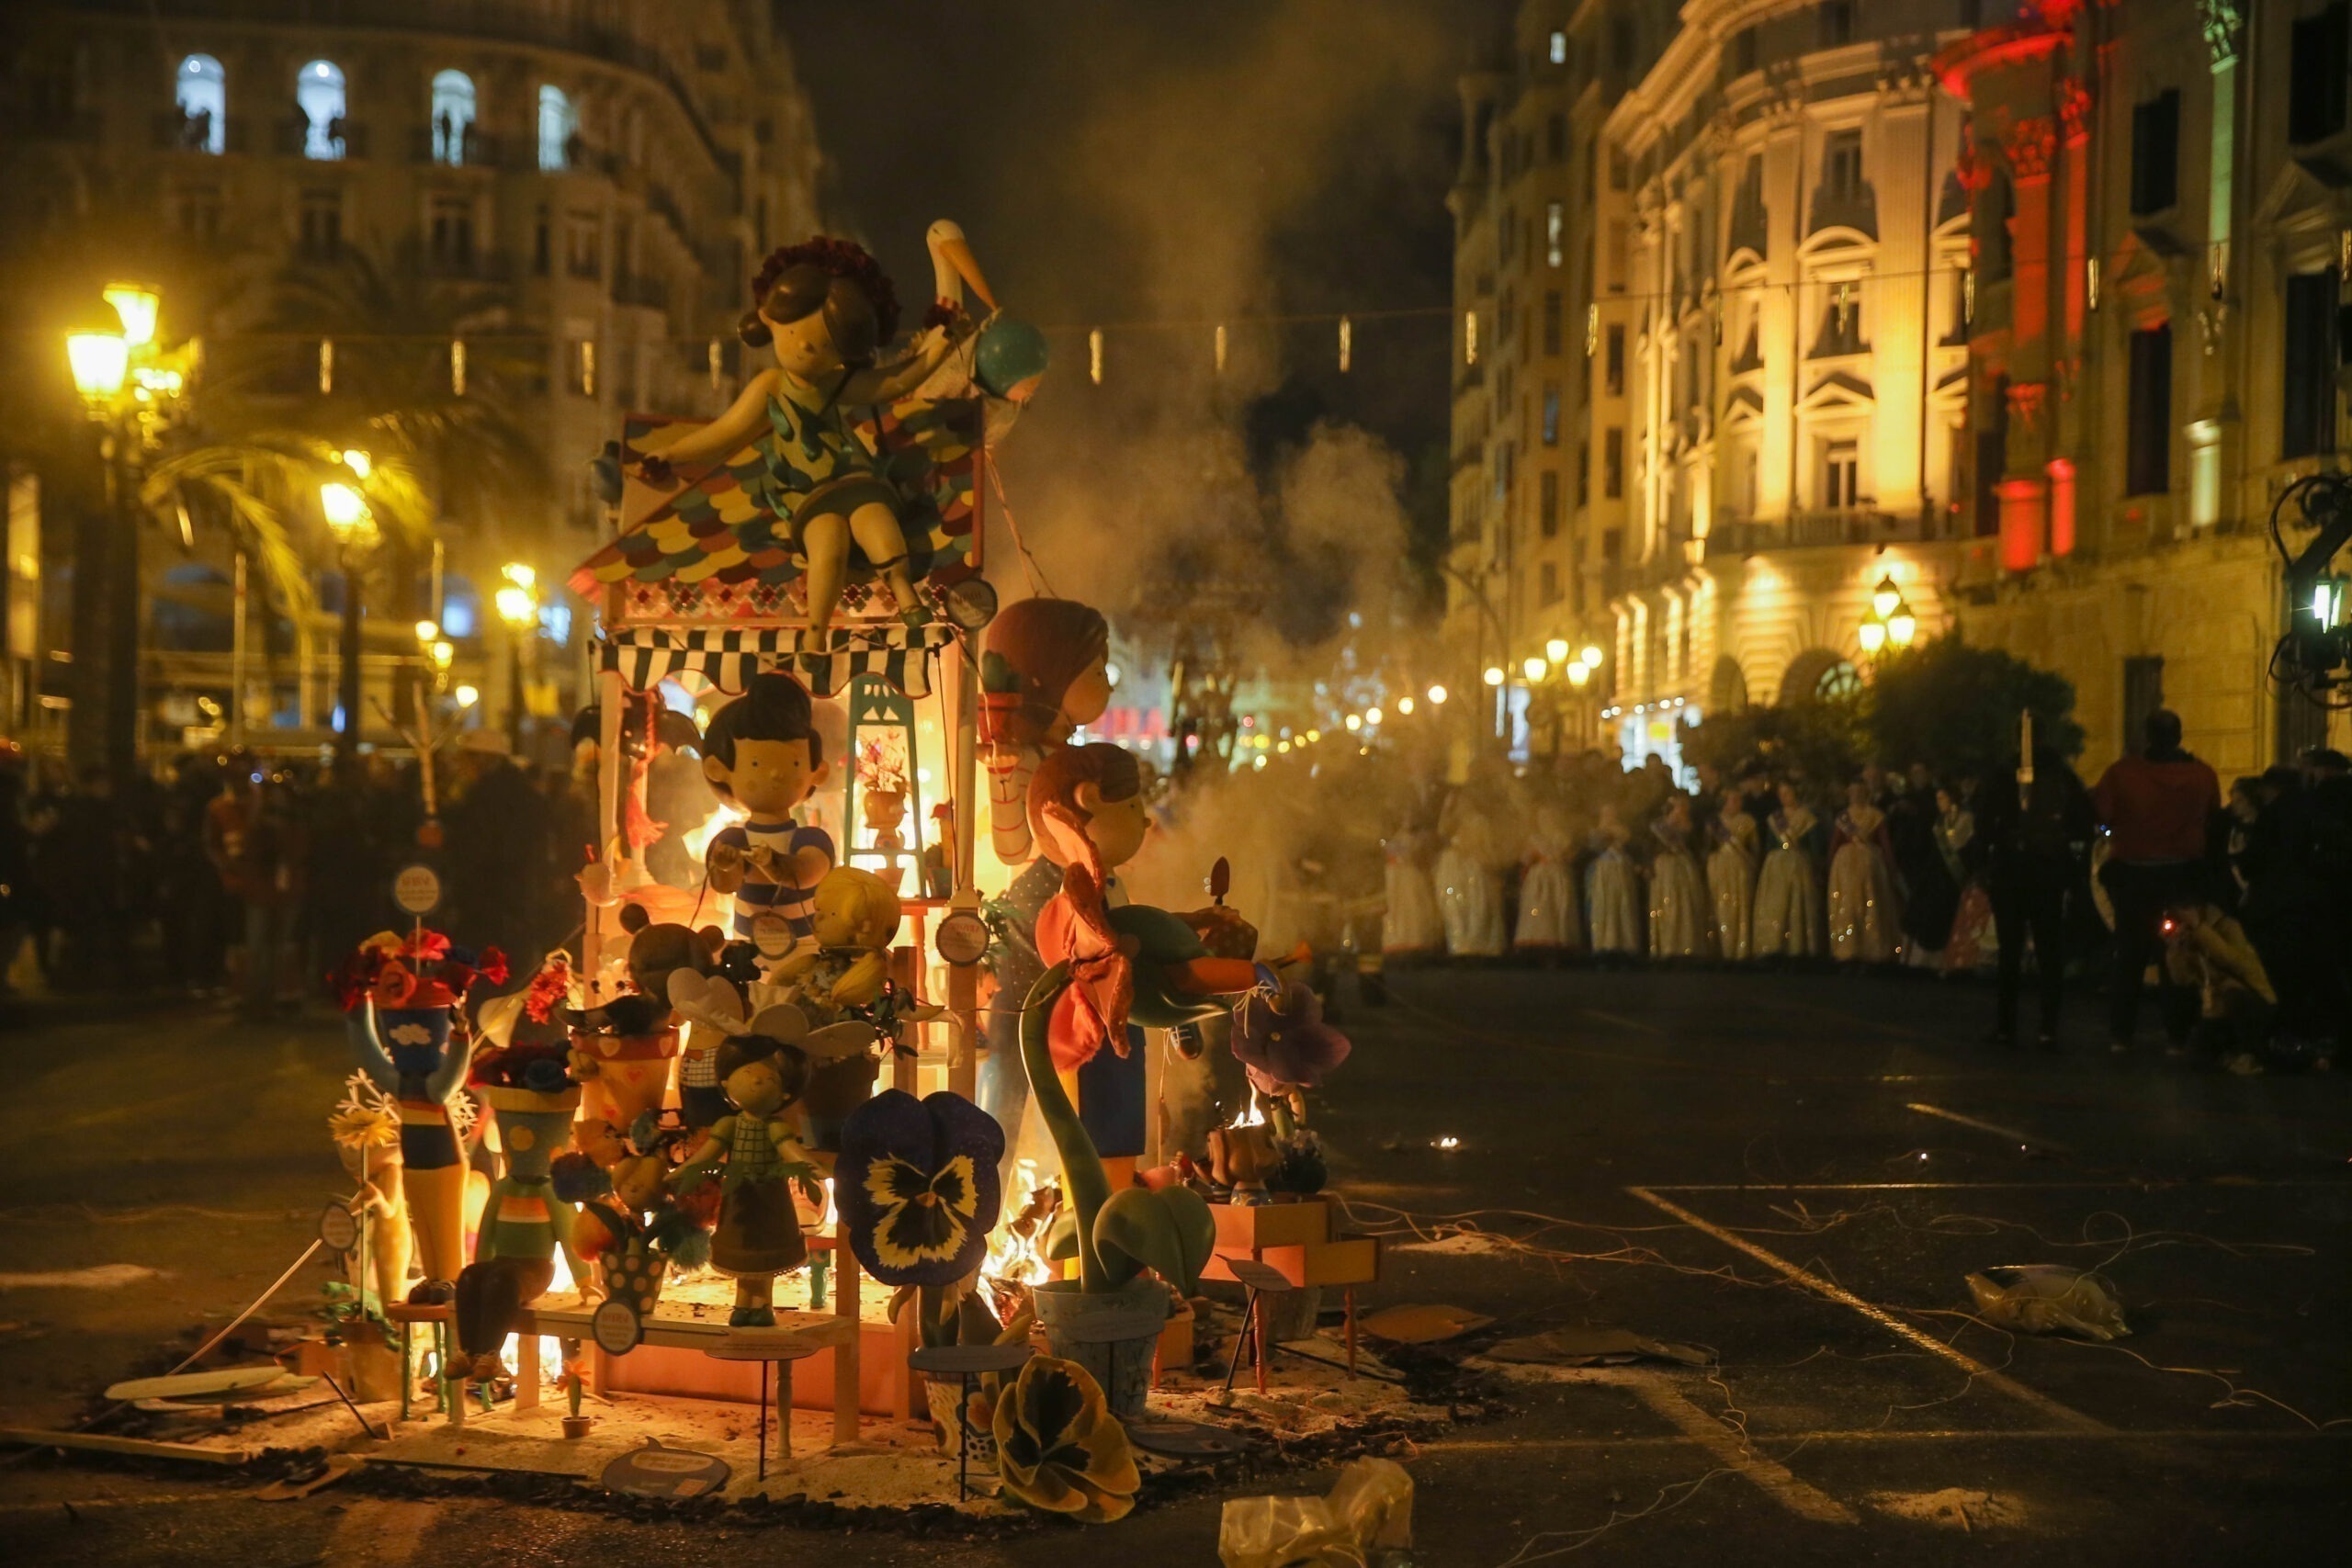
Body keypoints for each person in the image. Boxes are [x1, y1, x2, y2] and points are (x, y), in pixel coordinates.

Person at [2091, 710, 2220, 1055]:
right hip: (2182, 876)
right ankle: (2178, 1035)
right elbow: (2211, 818)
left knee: (2129, 956)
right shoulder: (2203, 775)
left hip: (2135, 876)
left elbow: (2101, 813)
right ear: (2179, 735)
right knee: (2176, 956)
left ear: (2147, 736)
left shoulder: (2123, 774)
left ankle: (2122, 1034)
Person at [1979, 745, 2094, 1048]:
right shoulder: (2062, 776)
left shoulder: (2003, 773)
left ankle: (2006, 1027)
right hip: (2048, 873)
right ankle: (2048, 1028)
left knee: (2010, 953)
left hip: (2012, 873)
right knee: (2049, 953)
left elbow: (1984, 821)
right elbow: (2083, 821)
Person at [2161, 897, 2275, 1074]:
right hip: (2217, 1007)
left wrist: (2201, 929)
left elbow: (2237, 962)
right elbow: (2181, 979)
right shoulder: (2190, 935)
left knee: (2231, 991)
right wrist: (2176, 950)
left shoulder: (2227, 926)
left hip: (2254, 999)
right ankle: (2230, 1055)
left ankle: (2253, 1053)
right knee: (2196, 1058)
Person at [1826, 778, 1902, 965]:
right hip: (1846, 866)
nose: (1856, 796)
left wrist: (1890, 866)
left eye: (1859, 792)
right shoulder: (1843, 816)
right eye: (1853, 792)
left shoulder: (1875, 815)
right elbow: (1835, 842)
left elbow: (1885, 843)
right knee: (1848, 904)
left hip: (1869, 863)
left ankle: (1872, 949)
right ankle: (1848, 948)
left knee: (1870, 903)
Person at [1752, 783, 1824, 960]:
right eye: (1782, 794)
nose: (1785, 797)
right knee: (1776, 903)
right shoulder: (1774, 818)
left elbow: (1814, 845)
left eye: (1788, 793)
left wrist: (1816, 865)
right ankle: (1774, 944)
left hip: (1799, 863)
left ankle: (1798, 945)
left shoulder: (1807, 818)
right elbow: (1769, 843)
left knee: (1798, 903)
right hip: (1776, 865)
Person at [1645, 794, 1713, 960]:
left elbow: (1699, 849)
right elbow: (1650, 848)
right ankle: (1668, 946)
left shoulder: (1690, 826)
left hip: (1685, 868)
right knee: (1667, 906)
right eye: (1678, 806)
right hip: (1665, 870)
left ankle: (1688, 944)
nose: (1682, 809)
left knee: (1686, 906)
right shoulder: (1657, 827)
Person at [1512, 806, 1581, 956]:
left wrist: (1559, 857)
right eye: (1541, 818)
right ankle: (1537, 942)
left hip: (1557, 877)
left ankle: (1557, 942)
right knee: (1539, 908)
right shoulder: (1535, 838)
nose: (1545, 821)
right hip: (1540, 879)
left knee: (1557, 908)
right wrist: (1531, 856)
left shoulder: (1562, 837)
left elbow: (1569, 856)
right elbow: (1525, 859)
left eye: (1548, 817)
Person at [1585, 803, 1643, 961]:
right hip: (1604, 871)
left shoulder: (1622, 830)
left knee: (1622, 905)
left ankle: (1625, 944)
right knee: (1605, 906)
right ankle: (1605, 944)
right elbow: (1595, 845)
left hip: (1620, 871)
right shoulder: (1597, 832)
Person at [1706, 796, 1758, 962]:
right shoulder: (1714, 822)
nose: (1737, 804)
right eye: (1733, 800)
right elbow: (1707, 846)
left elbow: (1755, 847)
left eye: (1739, 800)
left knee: (1741, 906)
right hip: (1719, 868)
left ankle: (1741, 950)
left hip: (1741, 868)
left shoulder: (1747, 821)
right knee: (1720, 906)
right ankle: (1722, 950)